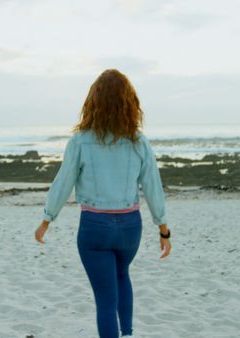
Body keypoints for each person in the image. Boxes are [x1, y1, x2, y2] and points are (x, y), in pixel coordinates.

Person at [34, 69, 172, 338]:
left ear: (93, 102)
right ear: (129, 103)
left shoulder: (80, 141)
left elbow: (63, 182)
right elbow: (153, 186)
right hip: (130, 227)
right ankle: (128, 334)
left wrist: (46, 219)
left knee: (105, 298)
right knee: (122, 275)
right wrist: (163, 228)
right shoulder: (139, 142)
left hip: (95, 226)